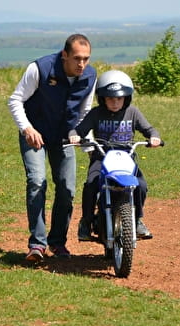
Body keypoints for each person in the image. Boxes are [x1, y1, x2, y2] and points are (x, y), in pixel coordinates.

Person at [8, 34, 97, 261]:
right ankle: (37, 245)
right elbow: (15, 100)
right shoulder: (40, 68)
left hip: (65, 137)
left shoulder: (90, 76)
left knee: (67, 189)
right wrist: (27, 129)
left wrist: (87, 146)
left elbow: (85, 112)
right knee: (37, 182)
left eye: (86, 59)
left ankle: (57, 243)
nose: (82, 64)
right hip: (34, 134)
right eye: (77, 58)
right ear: (64, 54)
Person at [68, 70, 161, 242]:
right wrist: (74, 136)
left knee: (140, 185)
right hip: (101, 157)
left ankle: (137, 219)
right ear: (102, 98)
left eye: (119, 98)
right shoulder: (96, 113)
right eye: (110, 98)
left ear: (127, 97)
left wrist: (154, 137)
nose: (115, 102)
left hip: (126, 157)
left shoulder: (132, 112)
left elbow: (149, 129)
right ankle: (86, 221)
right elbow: (79, 130)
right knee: (91, 184)